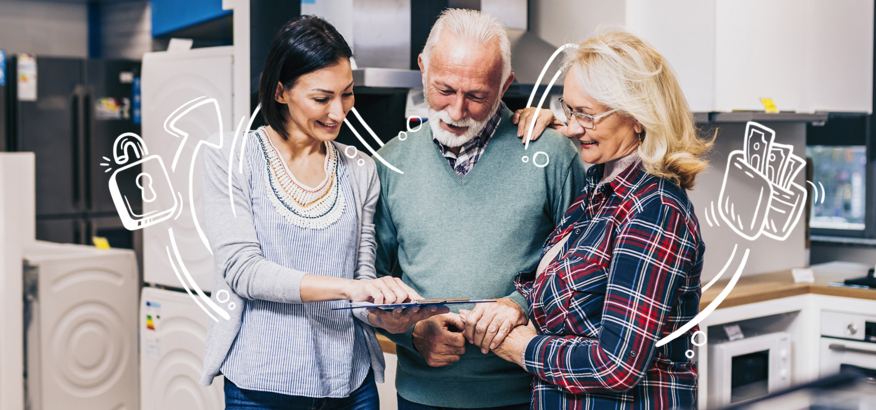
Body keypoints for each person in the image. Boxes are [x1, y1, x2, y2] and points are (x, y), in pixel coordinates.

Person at [199, 15, 439, 410]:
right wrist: (350, 289)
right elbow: (244, 271)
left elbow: (362, 278)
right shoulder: (230, 158)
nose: (339, 111)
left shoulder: (360, 168)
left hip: (351, 385)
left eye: (347, 93)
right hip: (261, 387)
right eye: (321, 97)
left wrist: (388, 314)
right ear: (280, 92)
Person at [483, 29, 711, 409]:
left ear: (638, 116)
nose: (572, 128)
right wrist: (512, 305)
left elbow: (617, 364)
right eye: (568, 109)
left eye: (585, 115)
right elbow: (571, 282)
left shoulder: (653, 210)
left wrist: (525, 349)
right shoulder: (598, 189)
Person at [374, 9, 583, 410]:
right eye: (444, 90)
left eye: (477, 96)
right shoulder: (390, 162)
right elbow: (374, 281)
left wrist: (519, 306)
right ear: (423, 67)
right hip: (421, 397)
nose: (456, 111)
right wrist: (414, 333)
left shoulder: (552, 155)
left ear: (505, 85)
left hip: (526, 395)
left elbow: (583, 268)